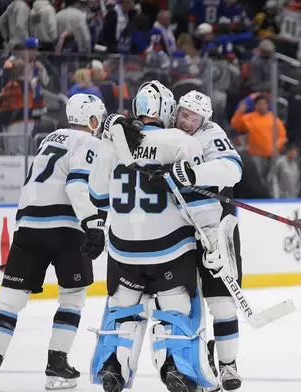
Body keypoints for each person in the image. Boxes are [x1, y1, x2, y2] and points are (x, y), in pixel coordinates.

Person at [88, 81, 222, 392]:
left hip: (122, 251)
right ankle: (176, 368)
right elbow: (200, 201)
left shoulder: (110, 145)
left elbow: (96, 195)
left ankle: (113, 367)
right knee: (175, 309)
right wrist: (213, 241)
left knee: (122, 310)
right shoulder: (180, 142)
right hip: (170, 249)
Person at [0, 94, 108, 391]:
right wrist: (93, 225)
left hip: (28, 226)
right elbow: (77, 186)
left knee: (11, 298)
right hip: (66, 227)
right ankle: (57, 364)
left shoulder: (50, 138)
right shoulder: (90, 143)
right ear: (92, 120)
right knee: (72, 296)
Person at [165, 90, 244, 391]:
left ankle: (227, 365)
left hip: (213, 226)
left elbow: (232, 169)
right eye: (184, 115)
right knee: (181, 302)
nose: (187, 122)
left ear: (204, 120)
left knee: (222, 302)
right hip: (175, 227)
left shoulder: (212, 134)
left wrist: (193, 173)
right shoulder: (165, 131)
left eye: (193, 118)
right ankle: (188, 364)